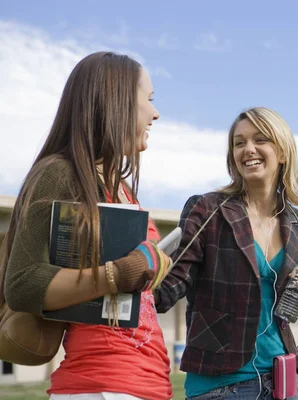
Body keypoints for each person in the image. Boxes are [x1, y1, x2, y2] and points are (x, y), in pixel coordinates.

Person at [2, 51, 173, 400]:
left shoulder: (122, 189)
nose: (155, 113)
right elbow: (22, 283)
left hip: (150, 383)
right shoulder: (61, 172)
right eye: (149, 99)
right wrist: (117, 273)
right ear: (116, 101)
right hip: (101, 387)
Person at [154, 107, 298, 400]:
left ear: (282, 152)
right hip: (221, 385)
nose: (248, 149)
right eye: (239, 142)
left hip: (284, 381)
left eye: (260, 139)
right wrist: (130, 276)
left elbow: (282, 307)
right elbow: (170, 286)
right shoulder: (207, 210)